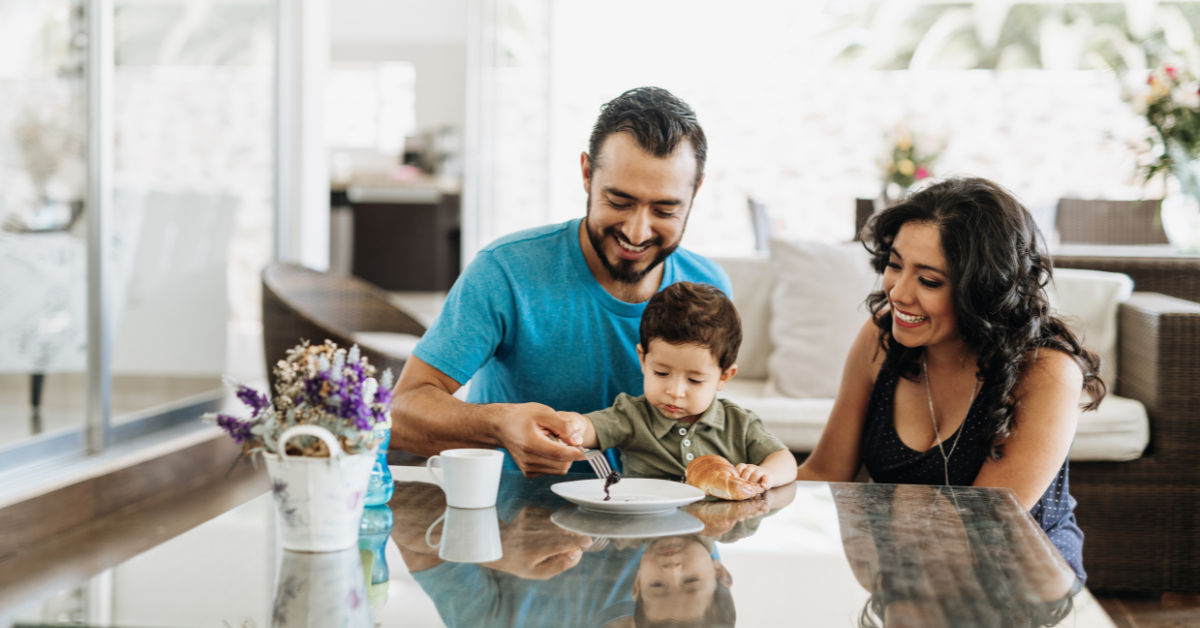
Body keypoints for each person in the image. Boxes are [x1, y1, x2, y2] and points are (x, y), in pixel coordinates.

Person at [390, 87, 732, 476]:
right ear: (587, 173)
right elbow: (400, 415)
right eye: (619, 202)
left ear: (696, 191)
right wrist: (500, 426)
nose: (637, 233)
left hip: (668, 528)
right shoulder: (506, 270)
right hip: (518, 524)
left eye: (665, 209)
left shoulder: (710, 290)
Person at [796, 177, 1104, 582]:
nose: (898, 293)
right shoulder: (881, 337)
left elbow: (980, 527)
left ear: (984, 291)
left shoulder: (1044, 371)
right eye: (894, 264)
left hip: (1022, 585)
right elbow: (824, 473)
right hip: (907, 576)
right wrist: (745, 482)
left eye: (929, 281)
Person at [573, 282, 797, 489]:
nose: (675, 391)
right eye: (661, 373)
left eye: (694, 380)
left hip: (719, 528)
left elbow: (784, 459)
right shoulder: (631, 415)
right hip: (649, 527)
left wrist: (767, 473)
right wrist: (569, 425)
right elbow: (587, 428)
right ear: (643, 359)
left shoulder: (740, 424)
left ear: (724, 377)